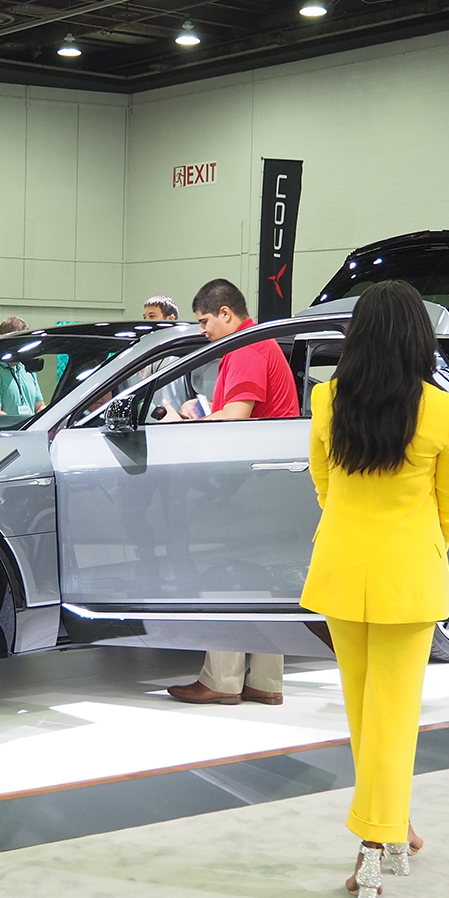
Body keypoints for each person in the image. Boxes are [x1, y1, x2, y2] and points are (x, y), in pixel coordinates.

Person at [298, 280, 449, 898]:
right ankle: (373, 844)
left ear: (358, 335)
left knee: (365, 712)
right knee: (393, 718)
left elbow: (323, 485)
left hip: (343, 569)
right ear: (419, 340)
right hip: (410, 577)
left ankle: (394, 823)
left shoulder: (326, 400)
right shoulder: (444, 412)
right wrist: (417, 544)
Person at [166, 279, 299, 706]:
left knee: (225, 573)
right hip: (272, 481)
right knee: (263, 580)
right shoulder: (259, 346)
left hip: (246, 481)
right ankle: (265, 681)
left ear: (226, 313)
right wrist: (204, 409)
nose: (202, 329)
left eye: (205, 320)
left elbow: (235, 419)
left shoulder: (244, 348)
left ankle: (222, 682)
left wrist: (183, 424)